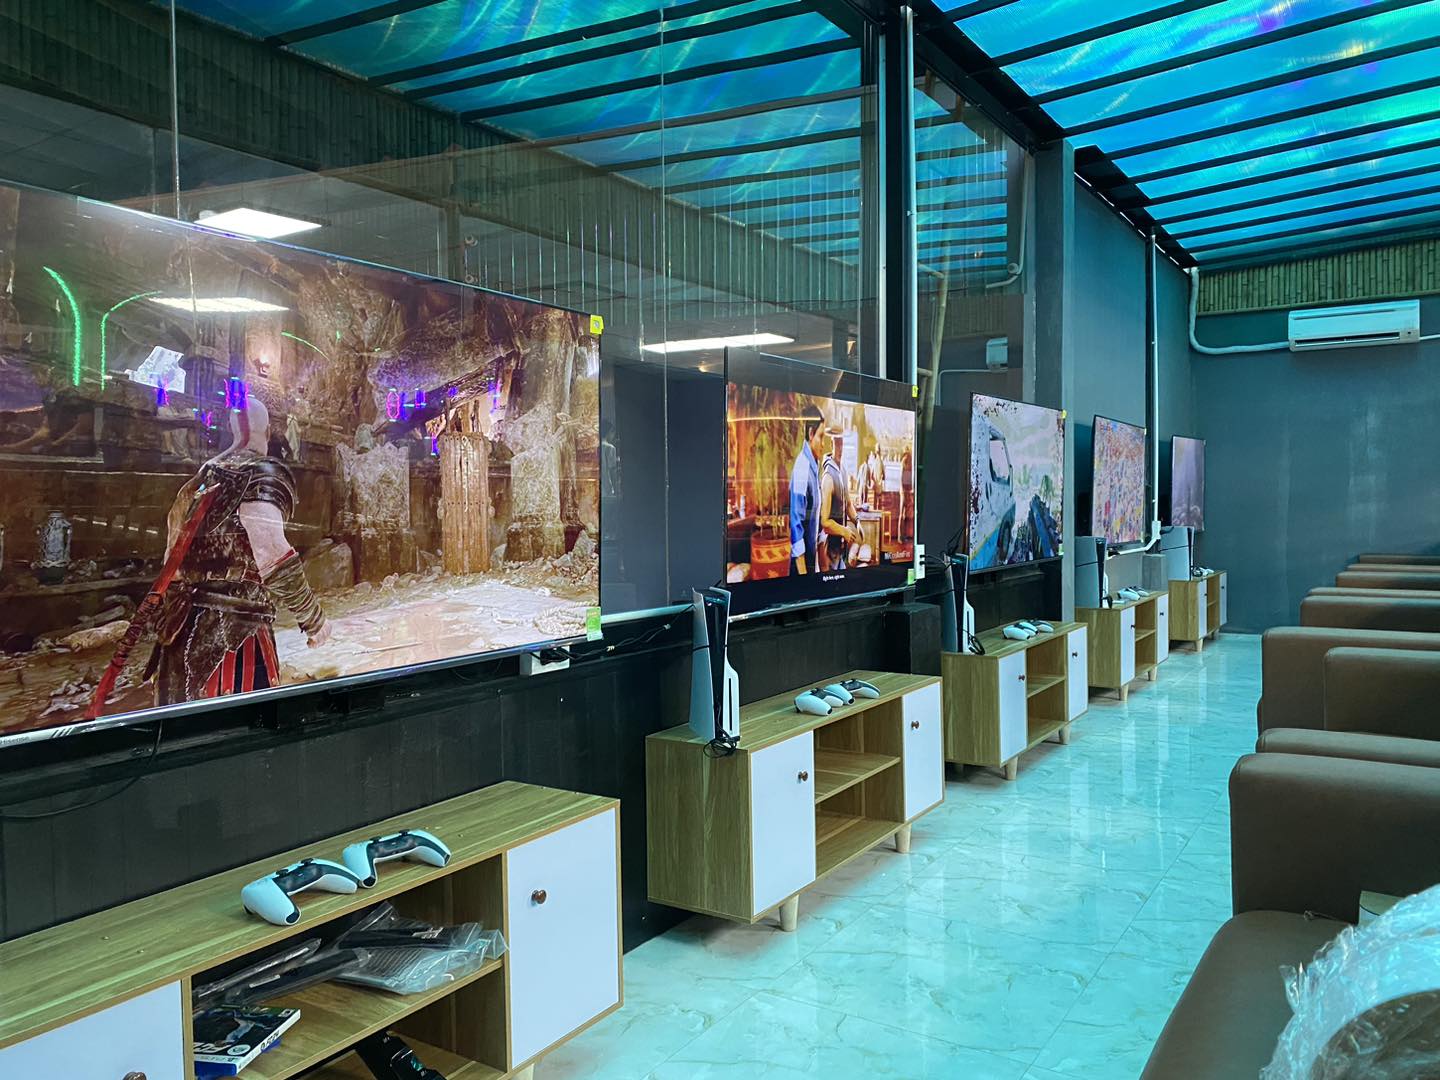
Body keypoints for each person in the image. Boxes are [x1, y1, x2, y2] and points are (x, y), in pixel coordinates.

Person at [147, 396, 331, 706]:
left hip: (181, 626)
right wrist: (313, 618)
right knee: (238, 721)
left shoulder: (200, 480)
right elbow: (272, 551)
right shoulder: (262, 473)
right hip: (235, 634)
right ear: (268, 431)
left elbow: (171, 563)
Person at [788, 405, 827, 576]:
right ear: (811, 434)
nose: (823, 444)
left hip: (812, 563)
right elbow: (796, 526)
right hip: (801, 570)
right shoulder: (803, 468)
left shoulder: (814, 466)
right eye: (821, 437)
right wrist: (805, 580)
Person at [820, 430, 860, 570]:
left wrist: (857, 520)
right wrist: (844, 531)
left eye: (842, 443)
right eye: (837, 444)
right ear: (831, 444)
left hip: (841, 548)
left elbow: (848, 503)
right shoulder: (828, 477)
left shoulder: (842, 471)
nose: (840, 448)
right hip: (830, 549)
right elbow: (824, 522)